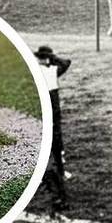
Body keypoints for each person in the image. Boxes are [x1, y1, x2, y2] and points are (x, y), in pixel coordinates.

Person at [35, 45, 71, 213]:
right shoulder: (48, 71)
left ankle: (55, 176)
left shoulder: (42, 71)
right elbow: (66, 62)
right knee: (54, 148)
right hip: (51, 118)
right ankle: (56, 177)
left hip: (48, 117)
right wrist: (53, 58)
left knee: (53, 148)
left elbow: (66, 63)